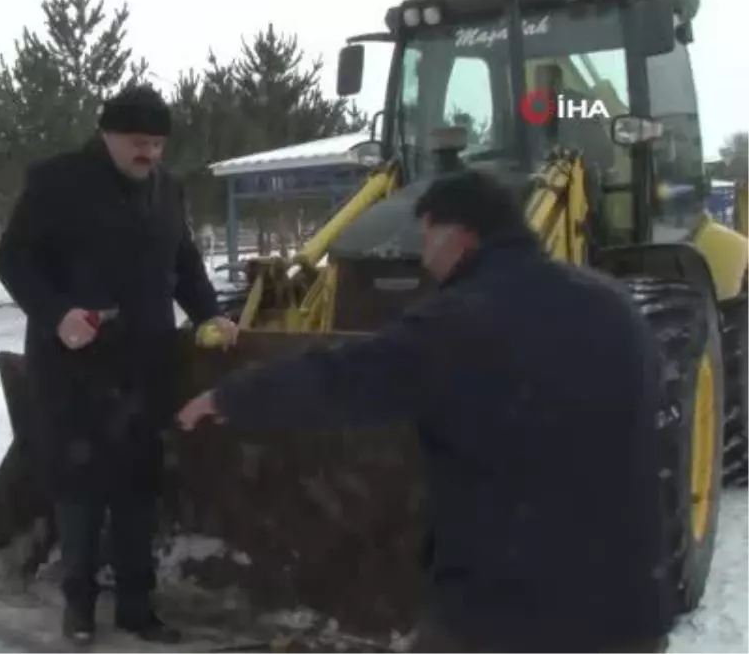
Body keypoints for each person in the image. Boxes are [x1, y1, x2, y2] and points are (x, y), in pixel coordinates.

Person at [177, 169, 673, 654]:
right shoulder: (617, 310)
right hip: (628, 611)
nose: (423, 252)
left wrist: (231, 397)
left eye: (427, 233)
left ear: (458, 234)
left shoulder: (459, 320)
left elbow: (342, 378)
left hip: (507, 616)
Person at [0, 84, 238, 646]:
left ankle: (136, 604)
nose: (149, 153)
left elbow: (185, 262)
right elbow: (12, 258)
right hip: (75, 367)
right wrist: (58, 316)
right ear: (106, 133)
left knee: (137, 489)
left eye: (157, 143)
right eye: (138, 141)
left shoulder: (168, 190)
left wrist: (210, 313)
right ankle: (77, 606)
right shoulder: (56, 182)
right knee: (80, 491)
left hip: (145, 367)